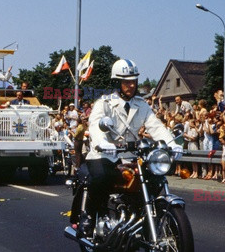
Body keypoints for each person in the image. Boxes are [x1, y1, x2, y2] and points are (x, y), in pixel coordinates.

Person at [75, 59, 179, 236]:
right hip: (104, 154)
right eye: (126, 81)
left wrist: (171, 143)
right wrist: (102, 143)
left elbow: (156, 126)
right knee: (100, 177)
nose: (131, 85)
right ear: (117, 82)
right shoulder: (104, 103)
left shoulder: (141, 104)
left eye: (133, 81)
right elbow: (94, 124)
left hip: (131, 155)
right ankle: (90, 216)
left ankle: (142, 215)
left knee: (156, 176)